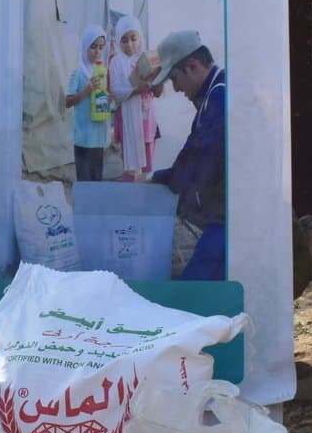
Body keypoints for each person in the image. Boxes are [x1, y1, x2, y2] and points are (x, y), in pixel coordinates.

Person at [148, 29, 227, 280]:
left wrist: (162, 181)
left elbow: (200, 165)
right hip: (224, 217)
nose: (177, 88)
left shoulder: (221, 98)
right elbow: (191, 153)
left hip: (232, 221)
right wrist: (156, 178)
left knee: (195, 292)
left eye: (174, 79)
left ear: (192, 66)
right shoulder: (210, 98)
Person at [108, 14, 161, 182]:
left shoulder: (148, 59)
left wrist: (159, 75)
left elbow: (158, 93)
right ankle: (130, 199)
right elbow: (116, 91)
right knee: (130, 167)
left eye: (133, 38)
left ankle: (144, 200)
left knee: (147, 165)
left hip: (146, 121)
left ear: (140, 37)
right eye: (124, 40)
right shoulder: (116, 62)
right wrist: (136, 89)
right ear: (118, 41)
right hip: (127, 122)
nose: (129, 45)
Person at [63, 24, 111, 182]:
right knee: (84, 182)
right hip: (83, 138)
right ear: (85, 47)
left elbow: (104, 97)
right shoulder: (78, 73)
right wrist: (86, 90)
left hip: (99, 137)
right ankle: (84, 208)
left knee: (97, 180)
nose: (97, 52)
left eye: (101, 47)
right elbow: (68, 102)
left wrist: (107, 98)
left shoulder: (102, 71)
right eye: (93, 47)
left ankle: (95, 208)